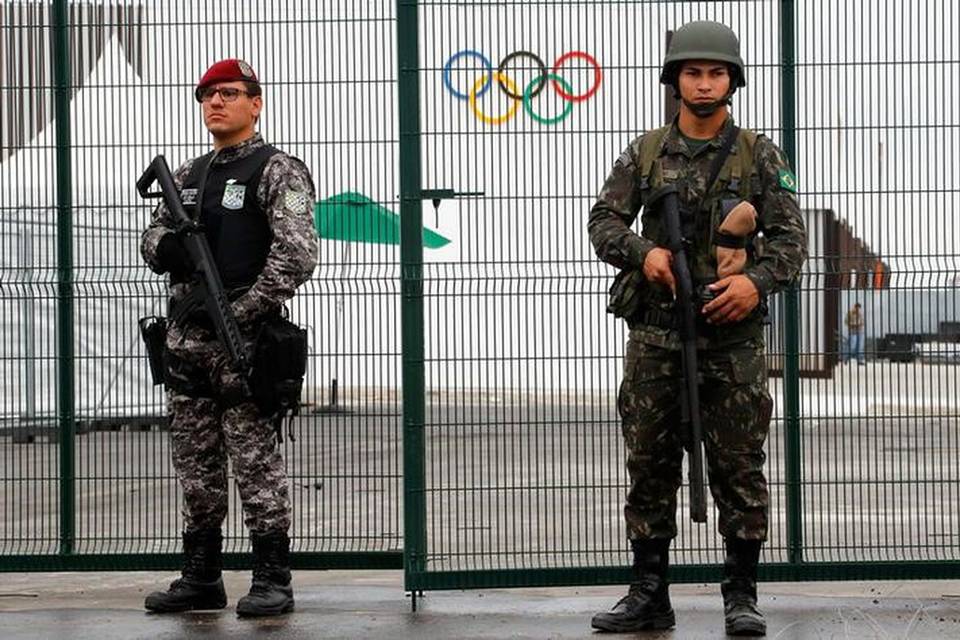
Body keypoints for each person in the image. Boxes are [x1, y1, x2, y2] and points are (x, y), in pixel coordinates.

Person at [588, 21, 807, 636]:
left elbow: (791, 243)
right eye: (693, 73)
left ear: (733, 80)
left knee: (739, 465)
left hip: (731, 344)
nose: (704, 84)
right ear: (675, 80)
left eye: (716, 73)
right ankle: (649, 592)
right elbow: (604, 221)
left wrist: (753, 284)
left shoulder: (758, 155)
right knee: (650, 462)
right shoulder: (647, 151)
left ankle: (741, 595)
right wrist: (644, 255)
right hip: (656, 337)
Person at [139, 59, 317, 617]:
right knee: (196, 466)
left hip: (246, 344)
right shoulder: (189, 174)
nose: (216, 103)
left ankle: (272, 578)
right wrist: (164, 248)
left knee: (256, 465)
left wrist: (241, 310)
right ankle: (201, 576)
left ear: (255, 103)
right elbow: (152, 236)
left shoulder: (276, 170)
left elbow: (297, 254)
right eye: (209, 95)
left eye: (230, 93)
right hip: (188, 342)